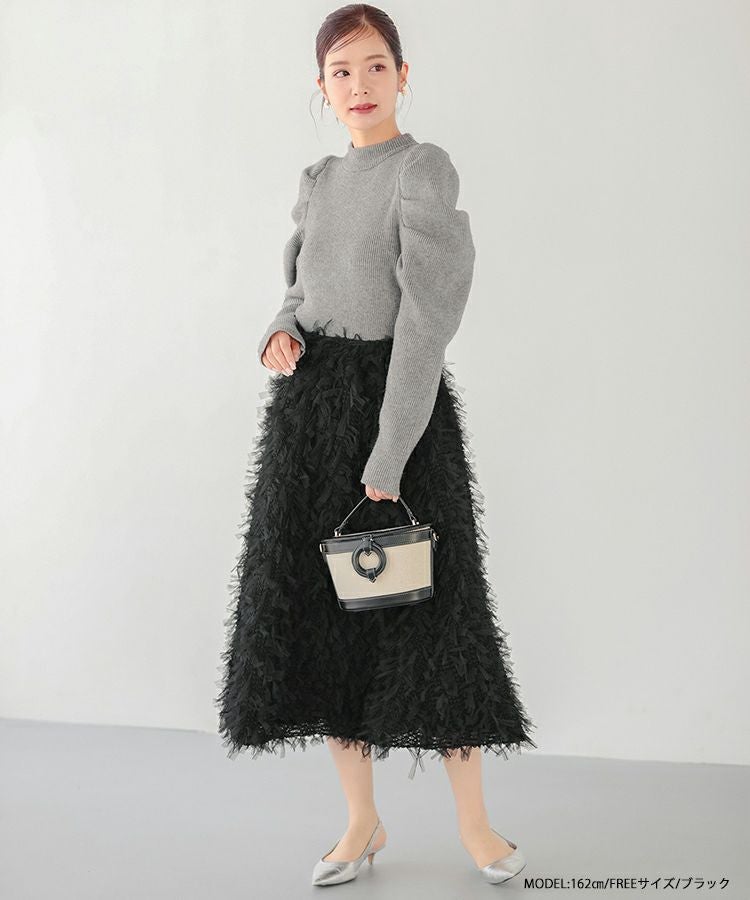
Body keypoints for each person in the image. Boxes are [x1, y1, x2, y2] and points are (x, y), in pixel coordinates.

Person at [215, 3, 537, 887]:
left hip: (398, 416)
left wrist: (390, 455)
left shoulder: (420, 170)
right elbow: (299, 286)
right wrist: (279, 332)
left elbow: (427, 322)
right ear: (321, 87)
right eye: (341, 71)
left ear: (402, 75)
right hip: (309, 421)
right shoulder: (319, 179)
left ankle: (476, 825)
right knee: (326, 622)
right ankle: (362, 822)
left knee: (434, 622)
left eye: (374, 66)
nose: (358, 86)